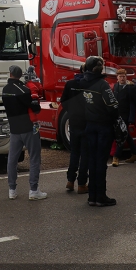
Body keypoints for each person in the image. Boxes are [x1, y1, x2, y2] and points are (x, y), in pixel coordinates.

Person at [2, 65, 46, 200]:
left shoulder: (5, 89)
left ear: (10, 74)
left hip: (14, 128)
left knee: (12, 159)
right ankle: (33, 190)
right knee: (34, 158)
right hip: (28, 127)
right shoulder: (24, 89)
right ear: (20, 75)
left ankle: (12, 189)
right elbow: (36, 108)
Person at [81, 56, 119, 206]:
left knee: (92, 160)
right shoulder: (102, 84)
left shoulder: (82, 82)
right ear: (100, 68)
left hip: (89, 125)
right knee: (101, 162)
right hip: (103, 126)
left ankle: (92, 196)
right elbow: (113, 106)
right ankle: (100, 196)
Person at [61, 64, 90, 193]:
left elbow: (63, 101)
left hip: (73, 122)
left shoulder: (70, 84)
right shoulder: (89, 85)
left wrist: (71, 111)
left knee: (74, 153)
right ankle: (82, 183)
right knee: (85, 154)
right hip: (86, 122)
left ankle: (70, 180)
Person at [110, 69, 136, 165]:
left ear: (126, 77)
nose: (122, 78)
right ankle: (135, 154)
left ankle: (116, 157)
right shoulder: (115, 87)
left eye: (123, 76)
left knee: (121, 135)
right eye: (120, 76)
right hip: (118, 115)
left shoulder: (130, 88)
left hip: (126, 116)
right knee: (127, 135)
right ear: (117, 78)